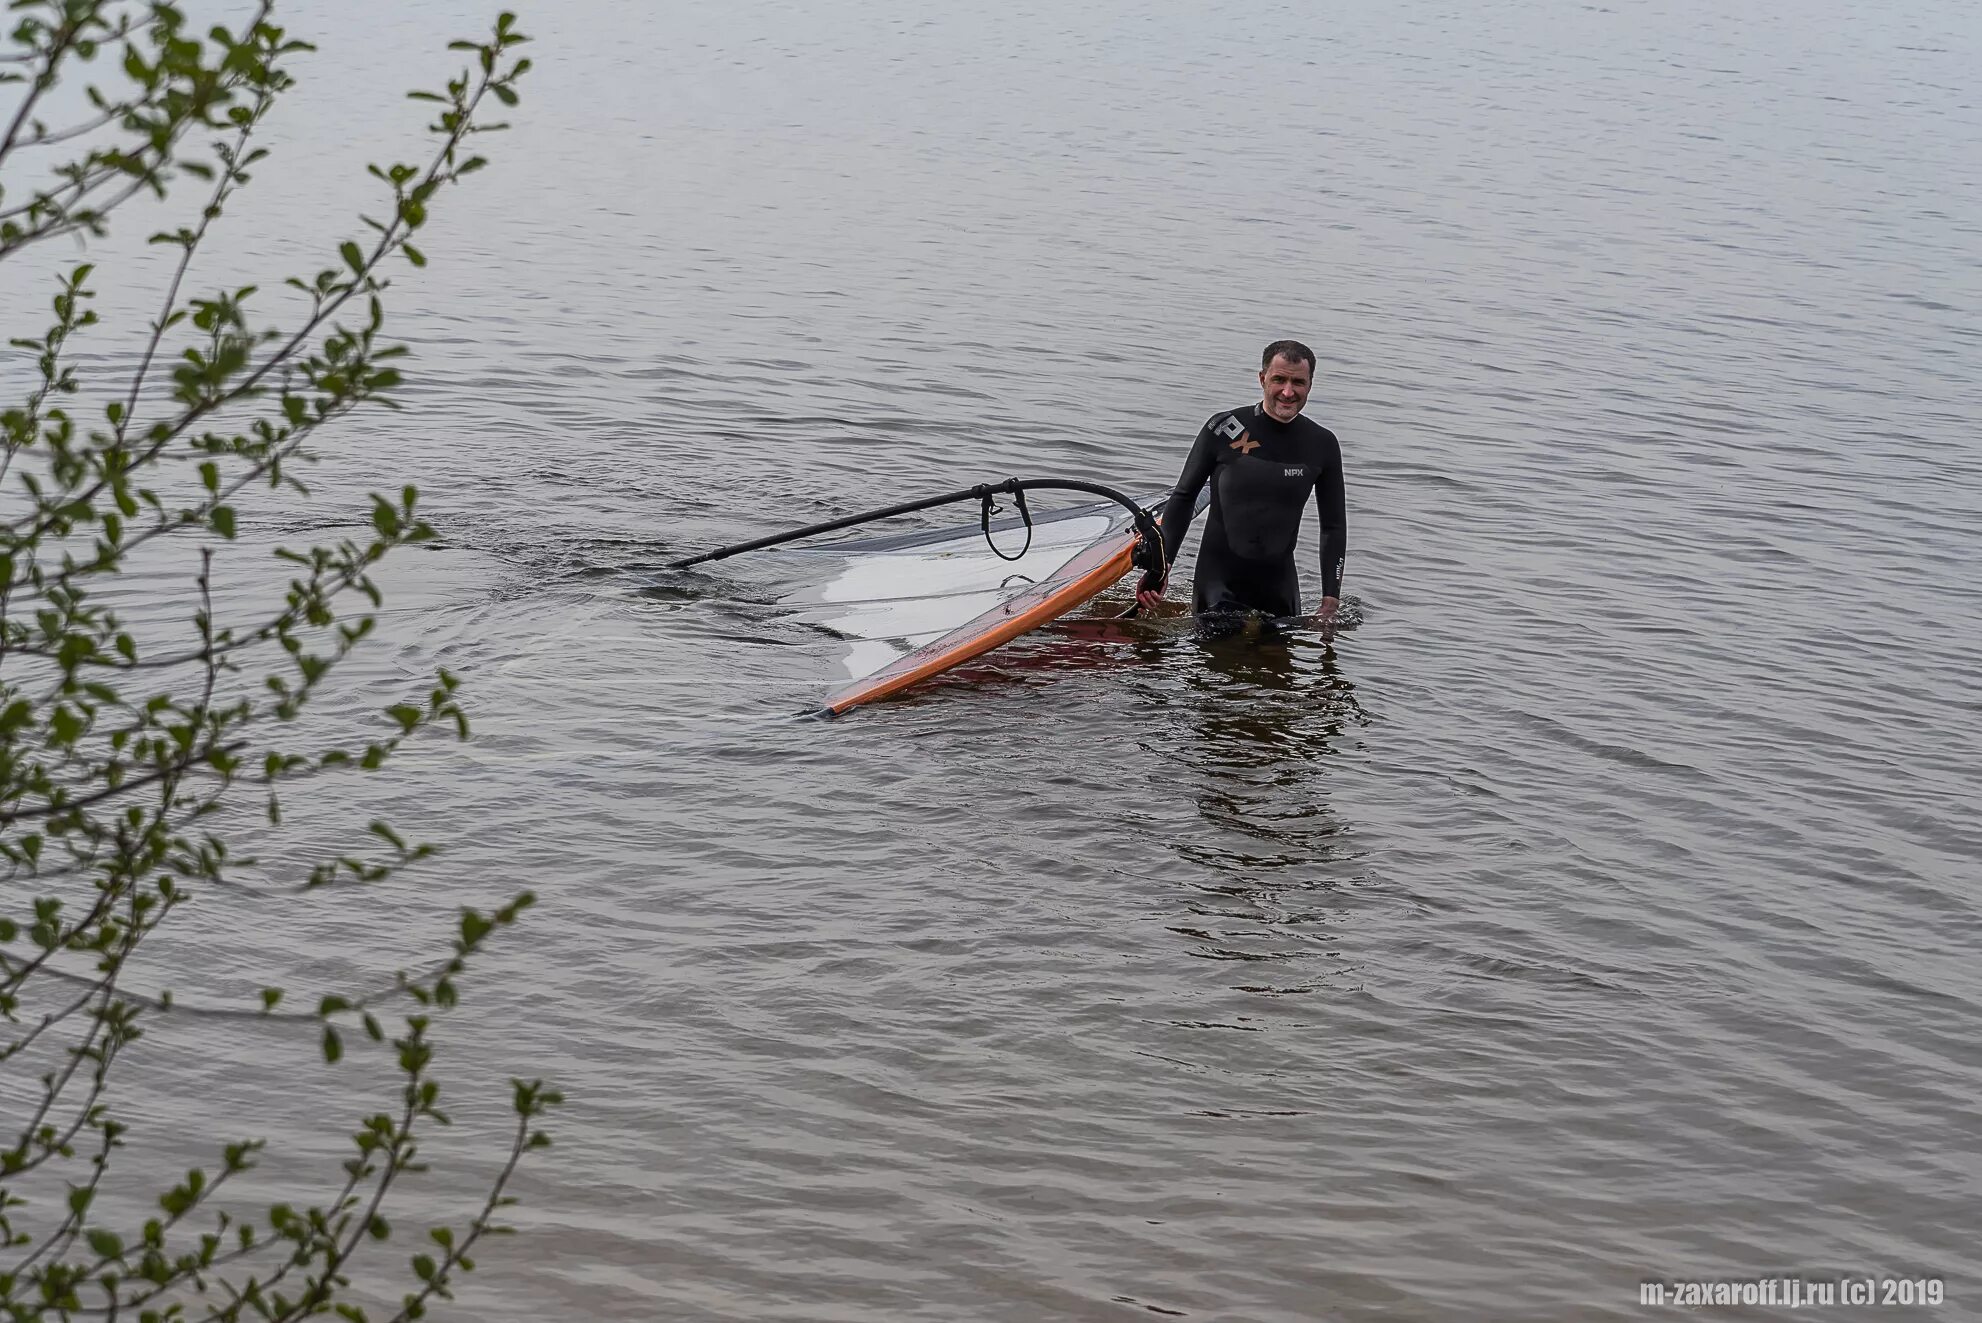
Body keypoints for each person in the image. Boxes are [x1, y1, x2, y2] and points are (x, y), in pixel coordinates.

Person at [1136, 340, 1347, 628]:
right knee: (1214, 662)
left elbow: (1333, 526)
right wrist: (1162, 566)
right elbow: (1184, 497)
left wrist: (1330, 598)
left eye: (1298, 382)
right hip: (1217, 582)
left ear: (1310, 384)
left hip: (1280, 588)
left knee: (1280, 668)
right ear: (1262, 379)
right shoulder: (1223, 428)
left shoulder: (1322, 444)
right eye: (1279, 379)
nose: (1288, 391)